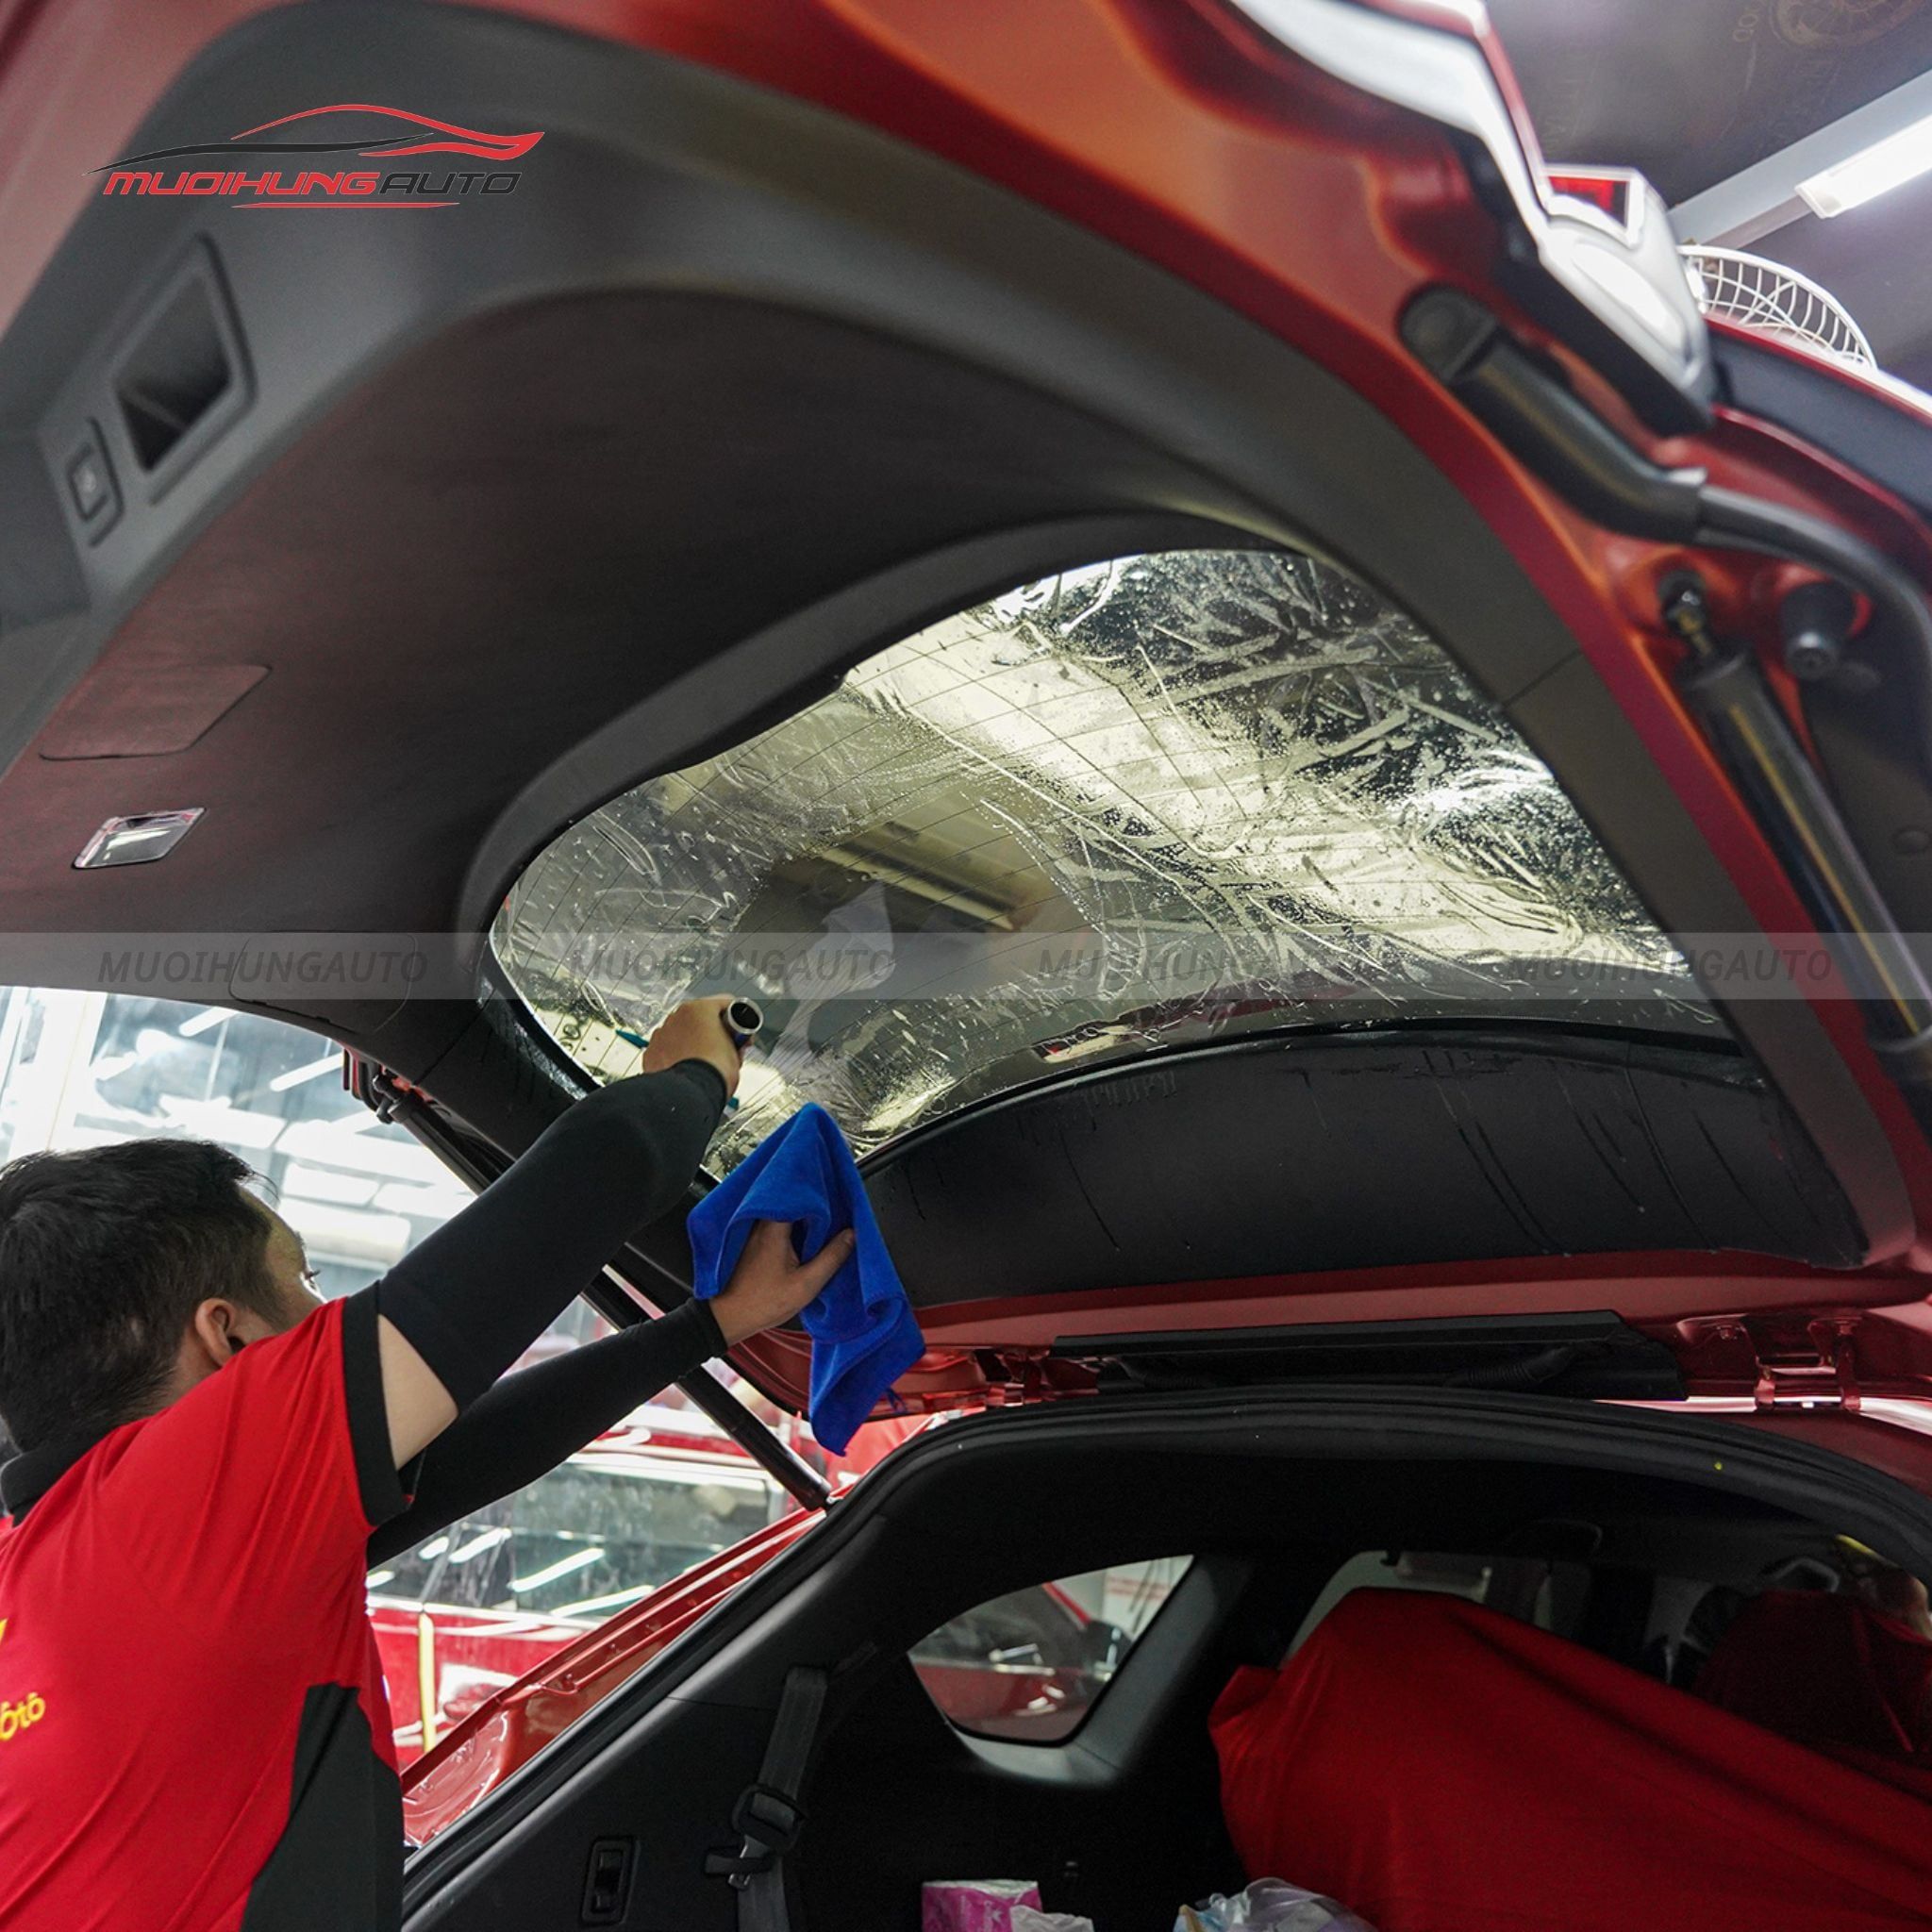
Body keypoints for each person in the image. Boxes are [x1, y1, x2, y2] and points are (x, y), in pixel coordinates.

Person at [0, 996, 848, 1932]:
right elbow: (564, 1205)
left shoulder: (61, 1568)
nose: (327, 1311)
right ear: (226, 1337)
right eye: (306, 1281)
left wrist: (709, 1325)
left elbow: (454, 1462)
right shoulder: (169, 1504)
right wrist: (693, 1073)